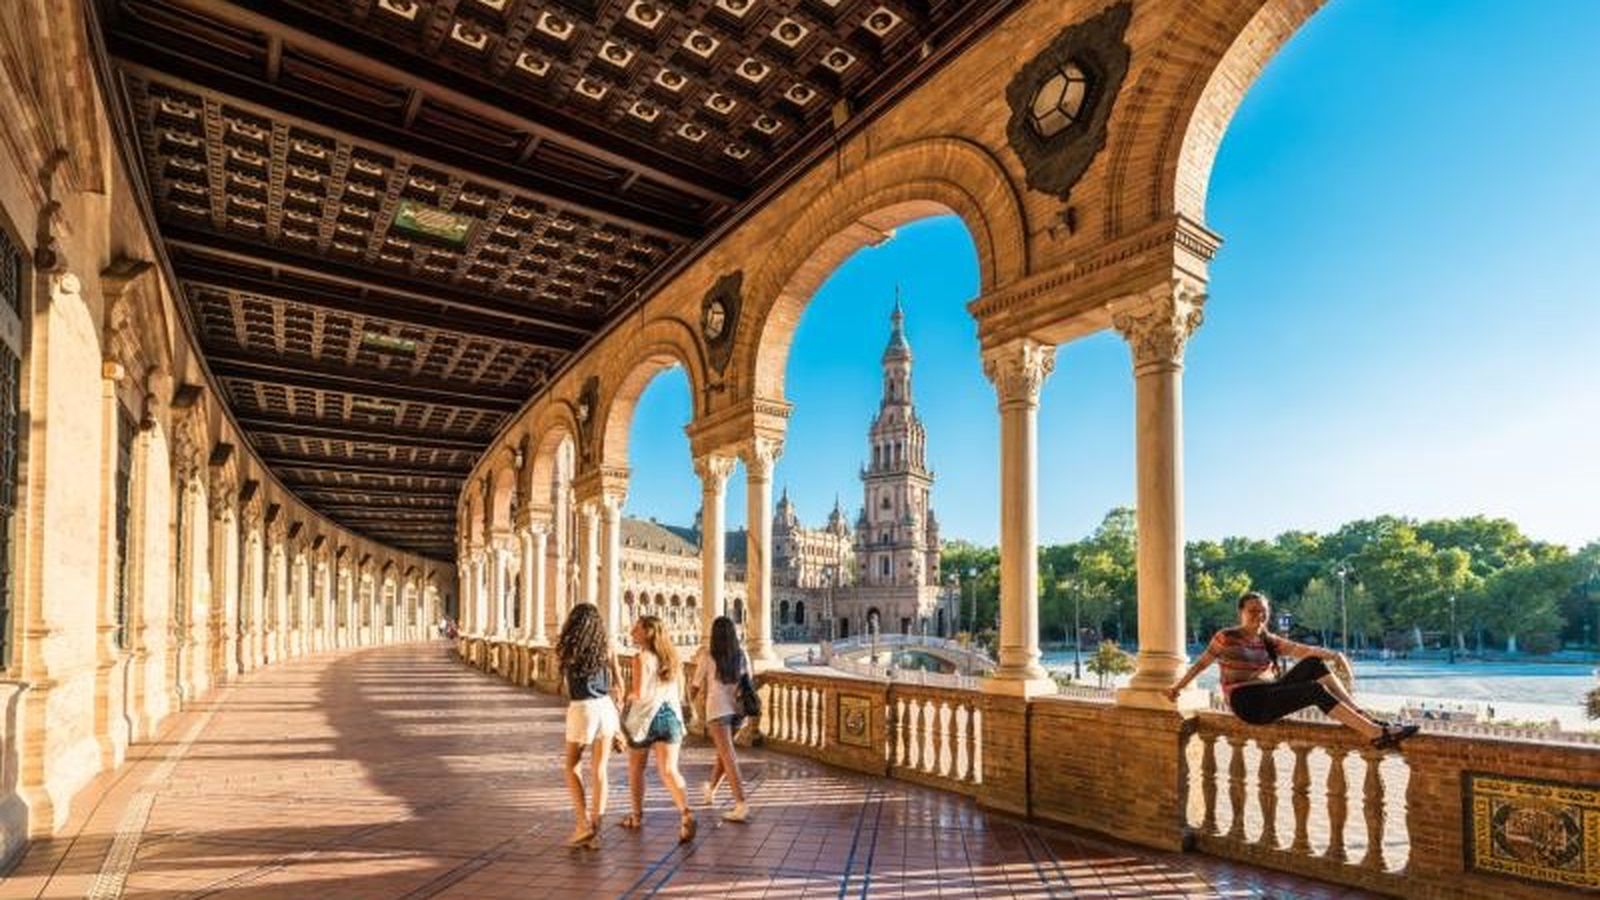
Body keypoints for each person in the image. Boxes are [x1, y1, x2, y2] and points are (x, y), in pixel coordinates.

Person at [1166, 591, 1419, 749]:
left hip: (1268, 693)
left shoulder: (1268, 639)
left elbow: (1301, 650)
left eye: (1263, 612)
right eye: (1253, 611)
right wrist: (1178, 687)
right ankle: (1375, 733)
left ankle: (1364, 717)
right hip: (1247, 702)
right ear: (1241, 613)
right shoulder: (1226, 637)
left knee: (1313, 665)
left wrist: (1336, 655)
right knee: (1314, 690)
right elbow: (1200, 663)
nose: (1259, 616)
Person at [619, 614, 696, 843]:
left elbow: (640, 694)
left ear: (648, 633)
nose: (632, 631)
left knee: (636, 769)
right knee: (670, 770)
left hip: (644, 719)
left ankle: (636, 816)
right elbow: (680, 694)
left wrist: (623, 696)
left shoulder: (641, 657)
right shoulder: (673, 658)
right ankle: (686, 813)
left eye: (637, 628)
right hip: (670, 717)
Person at [556, 603, 622, 848]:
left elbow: (562, 681)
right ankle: (595, 831)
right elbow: (619, 684)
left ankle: (582, 824)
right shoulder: (607, 647)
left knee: (572, 766)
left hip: (582, 708)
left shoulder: (568, 649)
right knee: (600, 770)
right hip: (605, 707)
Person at [689, 616, 751, 822]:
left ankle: (741, 804)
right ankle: (711, 791)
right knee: (723, 754)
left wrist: (690, 704)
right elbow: (749, 682)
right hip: (738, 711)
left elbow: (695, 685)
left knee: (728, 756)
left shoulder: (708, 656)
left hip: (717, 710)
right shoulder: (742, 655)